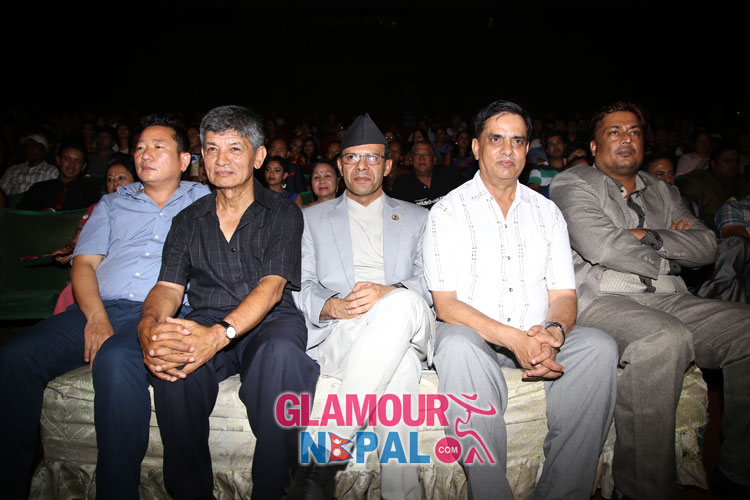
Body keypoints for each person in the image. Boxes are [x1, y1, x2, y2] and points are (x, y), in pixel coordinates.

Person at [0, 115, 210, 500]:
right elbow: (84, 264)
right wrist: (95, 318)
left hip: (159, 312)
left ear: (184, 160)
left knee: (115, 360)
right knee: (14, 358)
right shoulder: (112, 203)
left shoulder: (204, 201)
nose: (145, 154)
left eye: (158, 146)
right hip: (99, 306)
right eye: (140, 147)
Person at [549, 100, 750, 500]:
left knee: (746, 328)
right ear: (593, 146)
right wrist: (673, 253)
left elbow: (707, 246)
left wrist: (648, 236)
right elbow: (602, 246)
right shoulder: (573, 183)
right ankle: (641, 490)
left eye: (635, 132)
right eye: (614, 132)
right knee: (663, 339)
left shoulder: (663, 190)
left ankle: (737, 471)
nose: (626, 139)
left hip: (670, 298)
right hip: (603, 299)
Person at [423, 99, 618, 500]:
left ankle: (563, 493)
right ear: (476, 147)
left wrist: (554, 332)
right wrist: (515, 340)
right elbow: (446, 305)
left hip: (535, 333)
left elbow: (563, 294)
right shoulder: (448, 212)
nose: (507, 150)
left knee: (598, 347)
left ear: (528, 149)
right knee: (456, 345)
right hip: (476, 337)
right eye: (496, 139)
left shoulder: (547, 213)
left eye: (517, 141)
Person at [138, 105, 318, 500]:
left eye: (235, 148)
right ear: (201, 158)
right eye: (212, 149)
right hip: (206, 315)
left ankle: (273, 489)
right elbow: (168, 288)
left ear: (258, 156)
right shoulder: (187, 220)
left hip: (270, 320)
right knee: (174, 367)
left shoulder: (283, 214)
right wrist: (148, 325)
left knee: (281, 357)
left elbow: (272, 288)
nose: (222, 160)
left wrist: (218, 336)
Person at [287, 113, 435, 500]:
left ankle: (323, 455)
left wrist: (388, 292)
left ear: (387, 166)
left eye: (372, 158)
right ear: (340, 166)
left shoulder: (419, 218)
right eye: (352, 158)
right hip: (343, 331)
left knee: (401, 303)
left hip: (409, 318)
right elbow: (299, 287)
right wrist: (333, 306)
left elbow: (431, 283)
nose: (362, 166)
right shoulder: (309, 219)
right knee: (401, 365)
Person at [678, 142, 750, 231]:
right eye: (727, 161)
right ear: (713, 164)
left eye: (736, 161)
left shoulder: (743, 185)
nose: (733, 165)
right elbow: (687, 217)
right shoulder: (698, 183)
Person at [18, 142, 102, 211]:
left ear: (83, 166)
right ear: (58, 160)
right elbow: (21, 215)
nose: (71, 165)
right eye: (67, 159)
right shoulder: (39, 188)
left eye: (77, 161)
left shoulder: (91, 191)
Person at [391, 140, 464, 209]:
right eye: (417, 154)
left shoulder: (451, 175)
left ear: (434, 159)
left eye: (426, 154)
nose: (421, 158)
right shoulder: (402, 184)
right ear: (411, 160)